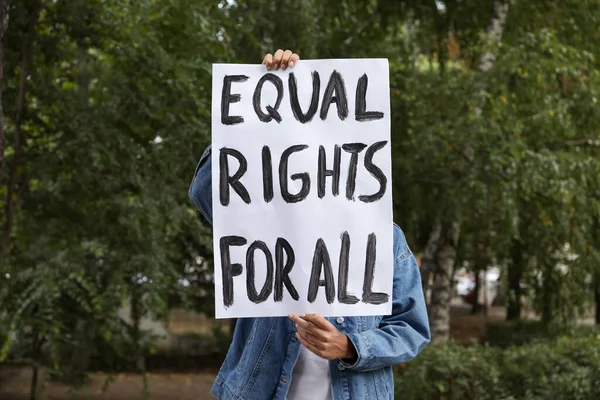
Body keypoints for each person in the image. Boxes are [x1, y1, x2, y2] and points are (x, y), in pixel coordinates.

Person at [189, 49, 430, 400]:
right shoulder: (265, 221)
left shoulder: (384, 238)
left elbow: (411, 328)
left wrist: (350, 346)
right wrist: (262, 99)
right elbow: (206, 189)